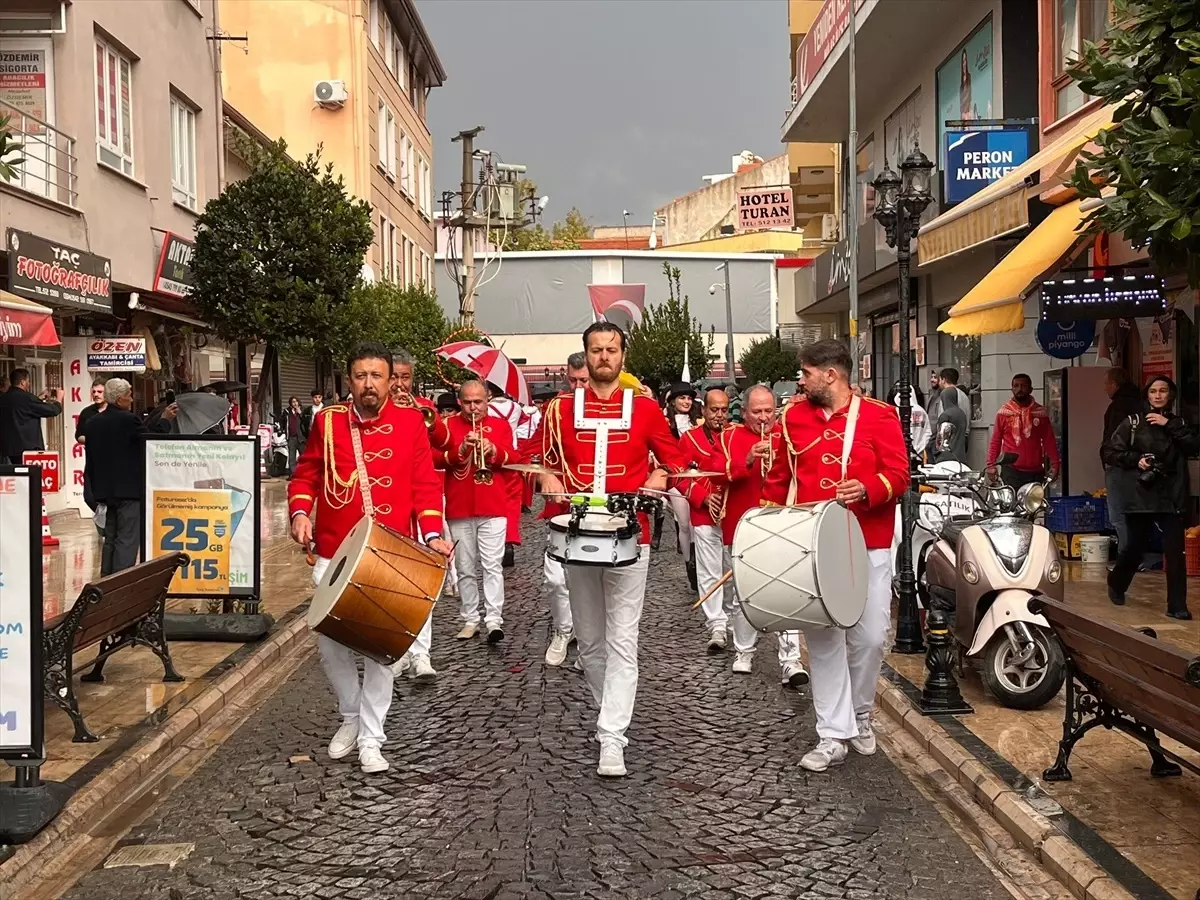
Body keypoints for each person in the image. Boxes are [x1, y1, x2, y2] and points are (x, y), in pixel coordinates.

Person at [528, 322, 686, 777]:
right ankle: (607, 717)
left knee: (623, 639)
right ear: (585, 355)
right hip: (576, 535)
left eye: (611, 350)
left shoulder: (645, 409)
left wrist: (658, 479)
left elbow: (674, 461)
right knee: (592, 640)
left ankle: (613, 737)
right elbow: (535, 458)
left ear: (622, 355)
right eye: (596, 350)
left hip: (629, 534)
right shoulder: (557, 411)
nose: (603, 357)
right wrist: (546, 476)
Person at [288, 342, 451, 775]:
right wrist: (301, 512)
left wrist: (432, 534)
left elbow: (424, 485)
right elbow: (306, 474)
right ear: (349, 380)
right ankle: (350, 715)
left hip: (389, 551)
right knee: (330, 644)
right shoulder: (326, 422)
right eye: (361, 376)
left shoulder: (411, 422)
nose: (369, 384)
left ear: (389, 379)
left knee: (384, 651)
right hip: (332, 549)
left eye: (377, 376)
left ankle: (372, 738)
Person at [762, 340, 908, 772]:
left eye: (806, 373)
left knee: (870, 637)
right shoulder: (792, 418)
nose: (800, 381)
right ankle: (832, 733)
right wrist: (768, 534)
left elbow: (900, 475)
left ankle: (861, 714)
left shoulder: (880, 416)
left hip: (870, 538)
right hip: (812, 544)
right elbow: (778, 480)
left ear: (831, 374)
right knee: (824, 640)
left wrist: (868, 489)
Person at [716, 385, 808, 687]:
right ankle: (744, 651)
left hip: (782, 525)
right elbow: (714, 470)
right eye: (757, 412)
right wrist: (747, 460)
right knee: (746, 593)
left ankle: (791, 660)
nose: (764, 417)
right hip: (743, 525)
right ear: (744, 413)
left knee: (789, 593)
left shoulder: (787, 434)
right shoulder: (729, 437)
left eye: (769, 411)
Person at [1103, 376, 1198, 620]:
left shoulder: (1179, 423)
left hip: (1172, 494)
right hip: (1142, 493)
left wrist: (1169, 424)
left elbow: (1192, 446)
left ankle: (1177, 605)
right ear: (1147, 395)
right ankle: (1117, 582)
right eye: (1153, 391)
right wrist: (1137, 460)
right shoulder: (1133, 423)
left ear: (1170, 395)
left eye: (1163, 391)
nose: (1158, 395)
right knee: (1135, 547)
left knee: (1175, 553)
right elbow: (1111, 451)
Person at [443, 379, 516, 644]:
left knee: (492, 565)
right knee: (464, 567)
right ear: (459, 401)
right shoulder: (449, 426)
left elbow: (514, 458)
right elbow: (435, 458)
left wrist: (494, 450)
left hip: (493, 504)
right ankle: (470, 618)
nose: (473, 408)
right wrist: (460, 450)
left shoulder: (500, 425)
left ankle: (494, 619)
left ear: (487, 400)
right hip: (460, 504)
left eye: (478, 402)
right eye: (467, 402)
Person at [84, 379, 178, 575]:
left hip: (104, 491)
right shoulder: (128, 420)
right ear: (120, 400)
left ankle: (106, 581)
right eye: (128, 395)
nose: (132, 399)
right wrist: (165, 419)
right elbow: (152, 441)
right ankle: (119, 584)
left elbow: (91, 459)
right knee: (127, 539)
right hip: (129, 491)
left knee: (111, 538)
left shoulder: (92, 423)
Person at [538, 352, 589, 667]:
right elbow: (535, 451)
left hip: (597, 509)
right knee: (556, 578)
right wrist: (544, 475)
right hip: (560, 509)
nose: (579, 386)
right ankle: (563, 630)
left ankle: (587, 641)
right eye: (574, 380)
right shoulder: (554, 410)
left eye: (584, 380)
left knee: (591, 581)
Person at [679, 388, 733, 652]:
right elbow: (677, 475)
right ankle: (716, 624)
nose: (719, 415)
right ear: (703, 411)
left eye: (724, 410)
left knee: (734, 572)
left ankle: (734, 620)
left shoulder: (737, 436)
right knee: (709, 572)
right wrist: (701, 497)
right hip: (704, 515)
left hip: (734, 516)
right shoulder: (689, 439)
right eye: (714, 410)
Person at [1100, 367, 1144, 557]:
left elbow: (1114, 439)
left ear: (1114, 384)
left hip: (1120, 464)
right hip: (1138, 464)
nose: (1104, 389)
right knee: (1134, 513)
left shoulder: (1118, 406)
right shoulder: (1140, 402)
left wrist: (1108, 456)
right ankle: (1134, 554)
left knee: (1118, 514)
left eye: (1106, 384)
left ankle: (1126, 558)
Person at [986, 374, 1059, 489]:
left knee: (1035, 506)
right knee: (1011, 506)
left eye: (1023, 386)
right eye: (1016, 386)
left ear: (1030, 389)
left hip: (1036, 472)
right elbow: (996, 440)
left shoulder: (1040, 413)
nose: (1019, 389)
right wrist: (991, 465)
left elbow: (1049, 440)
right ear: (1012, 389)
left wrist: (1055, 464)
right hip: (1011, 472)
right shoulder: (1003, 413)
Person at [487, 383, 524, 568]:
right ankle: (509, 540)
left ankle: (496, 543)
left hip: (493, 454)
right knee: (511, 500)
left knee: (495, 499)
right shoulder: (516, 407)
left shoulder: (488, 407)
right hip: (513, 453)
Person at [0, 368, 62, 463]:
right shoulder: (27, 398)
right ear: (23, 382)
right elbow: (53, 410)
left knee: (13, 477)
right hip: (28, 451)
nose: (29, 384)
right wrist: (59, 399)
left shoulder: (3, 398)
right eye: (28, 381)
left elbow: (20, 410)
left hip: (8, 451)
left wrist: (38, 399)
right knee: (31, 477)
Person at [933, 382, 969, 465]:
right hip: (960, 455)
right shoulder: (961, 413)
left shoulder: (946, 415)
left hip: (946, 457)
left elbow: (940, 441)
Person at [283, 397, 305, 475]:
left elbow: (306, 422)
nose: (295, 403)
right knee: (291, 457)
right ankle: (293, 473)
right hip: (291, 437)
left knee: (303, 456)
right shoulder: (287, 412)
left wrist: (300, 413)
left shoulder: (303, 410)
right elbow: (284, 422)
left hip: (301, 438)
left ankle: (304, 472)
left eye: (296, 402)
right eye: (293, 402)